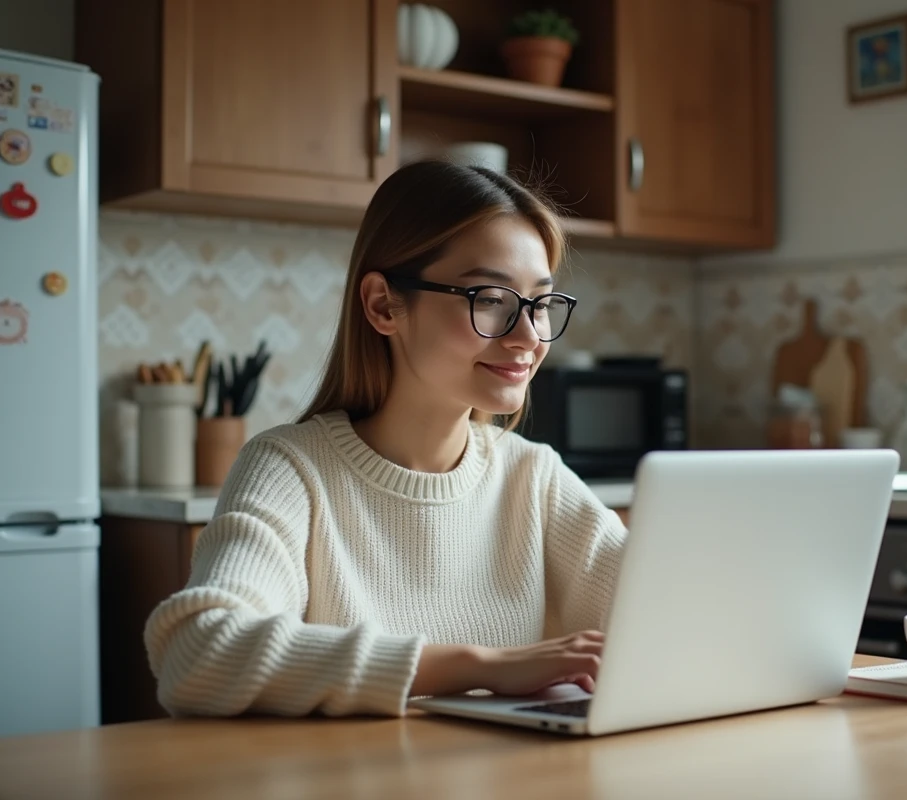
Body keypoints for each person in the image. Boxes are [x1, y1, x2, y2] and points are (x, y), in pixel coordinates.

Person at [144, 160, 627, 718]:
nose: (528, 337)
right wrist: (481, 665)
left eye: (540, 304)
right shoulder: (291, 470)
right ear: (383, 305)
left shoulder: (533, 478)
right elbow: (200, 652)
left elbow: (672, 613)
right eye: (490, 299)